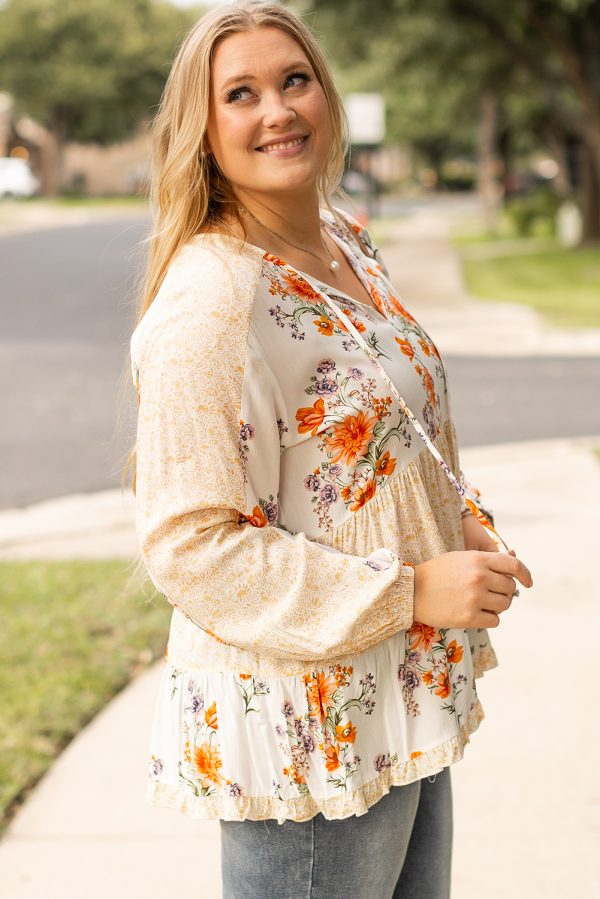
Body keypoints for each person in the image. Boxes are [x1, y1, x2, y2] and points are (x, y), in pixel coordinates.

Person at [126, 2, 533, 896]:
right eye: (241, 94)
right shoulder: (210, 306)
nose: (277, 110)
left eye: (293, 79)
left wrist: (455, 520)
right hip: (307, 737)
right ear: (203, 131)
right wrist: (417, 587)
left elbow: (382, 426)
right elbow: (191, 548)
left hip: (399, 692)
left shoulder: (340, 241)